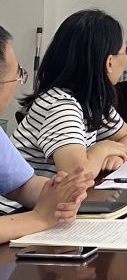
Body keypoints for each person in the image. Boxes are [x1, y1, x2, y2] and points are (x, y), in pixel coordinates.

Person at [13, 10, 127, 177]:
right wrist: (102, 150)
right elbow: (77, 175)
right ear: (109, 63)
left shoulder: (91, 100)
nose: (126, 58)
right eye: (126, 51)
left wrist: (117, 155)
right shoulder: (60, 105)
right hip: (29, 195)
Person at [0, 24, 94, 244]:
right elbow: (39, 215)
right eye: (17, 75)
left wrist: (59, 194)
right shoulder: (58, 102)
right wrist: (39, 218)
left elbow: (21, 185)